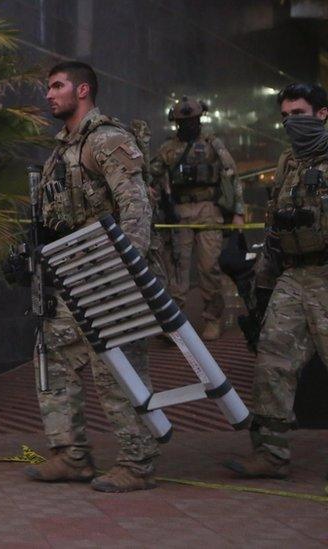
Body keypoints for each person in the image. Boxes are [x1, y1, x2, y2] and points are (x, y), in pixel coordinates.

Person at [22, 61, 159, 492]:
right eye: (48, 87)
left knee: (115, 367)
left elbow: (135, 205)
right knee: (53, 356)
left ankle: (137, 463)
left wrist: (129, 266)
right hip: (73, 274)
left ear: (83, 90)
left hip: (109, 273)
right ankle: (70, 455)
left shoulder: (107, 140)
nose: (49, 95)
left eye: (57, 86)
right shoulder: (61, 150)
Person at [224, 83, 328, 479]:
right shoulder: (288, 162)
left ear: (322, 113)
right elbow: (273, 229)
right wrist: (262, 285)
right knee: (272, 359)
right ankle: (271, 453)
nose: (290, 123)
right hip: (294, 275)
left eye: (298, 114)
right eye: (284, 116)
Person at [149, 97, 245, 340]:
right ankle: (175, 322)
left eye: (191, 120)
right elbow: (152, 173)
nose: (188, 125)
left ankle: (212, 317)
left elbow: (232, 176)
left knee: (209, 268)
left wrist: (238, 213)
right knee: (177, 271)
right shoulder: (169, 148)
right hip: (180, 213)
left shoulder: (213, 143)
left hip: (209, 211)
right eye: (183, 122)